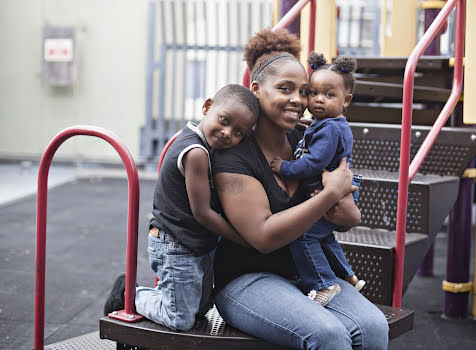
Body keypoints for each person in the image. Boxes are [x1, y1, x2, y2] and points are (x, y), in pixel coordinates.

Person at [211, 28, 389, 349]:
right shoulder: (234, 155)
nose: (298, 100)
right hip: (248, 278)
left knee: (374, 327)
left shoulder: (306, 139)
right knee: (327, 335)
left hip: (305, 275)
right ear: (256, 89)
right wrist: (331, 195)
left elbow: (348, 217)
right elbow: (264, 238)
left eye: (304, 91)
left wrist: (347, 209)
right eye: (285, 89)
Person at [103, 84, 259, 331]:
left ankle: (168, 295)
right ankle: (128, 295)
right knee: (180, 318)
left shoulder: (210, 144)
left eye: (238, 132)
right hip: (174, 243)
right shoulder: (195, 151)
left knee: (202, 308)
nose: (228, 133)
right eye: (224, 120)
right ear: (207, 107)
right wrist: (242, 239)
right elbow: (203, 213)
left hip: (195, 243)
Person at [270, 52, 365, 305]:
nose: (319, 100)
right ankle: (349, 276)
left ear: (347, 100)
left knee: (304, 235)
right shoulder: (326, 124)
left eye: (329, 95)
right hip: (331, 190)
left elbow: (314, 163)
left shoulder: (330, 128)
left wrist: (285, 168)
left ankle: (323, 283)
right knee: (323, 237)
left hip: (334, 191)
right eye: (313, 93)